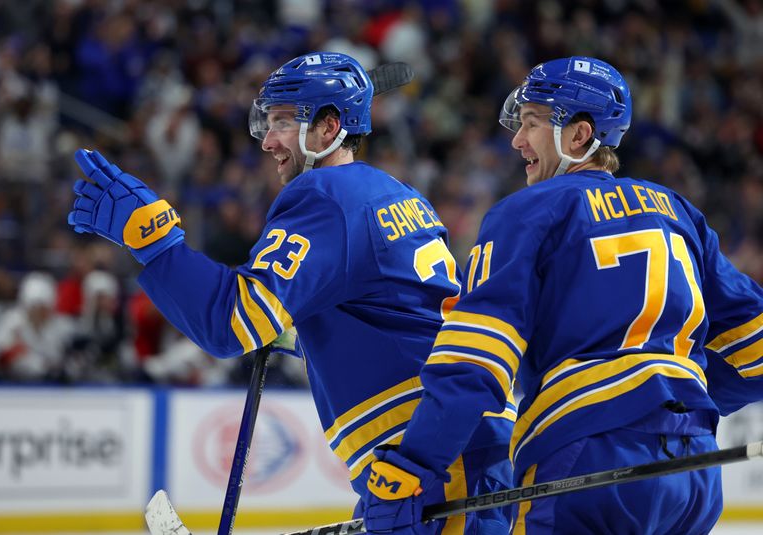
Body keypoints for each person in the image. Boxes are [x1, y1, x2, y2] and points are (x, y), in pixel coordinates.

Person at [68, 52, 514, 534]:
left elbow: (232, 322)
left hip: (427, 461)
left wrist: (154, 241)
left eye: (282, 121)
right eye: (267, 121)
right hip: (456, 447)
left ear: (328, 128)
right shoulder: (398, 195)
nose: (267, 140)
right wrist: (295, 331)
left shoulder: (324, 194)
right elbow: (388, 316)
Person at [359, 56, 763, 534]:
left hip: (584, 456)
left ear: (579, 136)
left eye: (532, 123)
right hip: (693, 468)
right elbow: (755, 348)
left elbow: (476, 359)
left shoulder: (527, 212)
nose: (516, 139)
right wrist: (673, 399)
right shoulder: (678, 212)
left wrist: (415, 464)